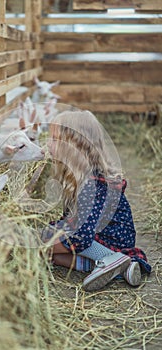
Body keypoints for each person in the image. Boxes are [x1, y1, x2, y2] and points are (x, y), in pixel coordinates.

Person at [41, 110, 151, 292]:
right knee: (55, 255)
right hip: (96, 235)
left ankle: (110, 258)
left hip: (111, 240)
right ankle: (120, 269)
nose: (48, 144)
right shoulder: (79, 178)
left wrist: (46, 243)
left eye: (54, 139)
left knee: (51, 242)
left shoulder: (92, 185)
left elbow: (81, 237)